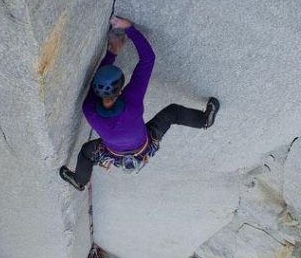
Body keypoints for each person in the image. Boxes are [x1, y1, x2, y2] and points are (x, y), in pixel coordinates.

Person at [59, 16, 219, 191]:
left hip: (128, 153)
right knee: (174, 112)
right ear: (121, 89)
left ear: (96, 91)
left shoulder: (89, 109)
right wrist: (129, 29)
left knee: (86, 152)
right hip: (142, 143)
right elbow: (148, 59)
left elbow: (96, 82)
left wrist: (112, 53)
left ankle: (80, 181)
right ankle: (204, 120)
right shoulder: (131, 101)